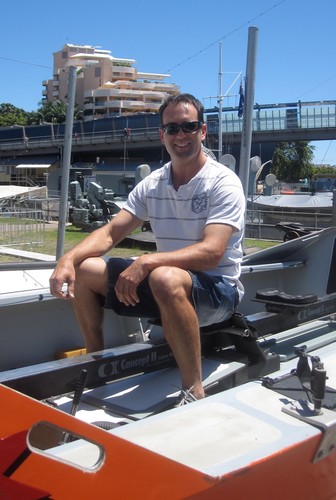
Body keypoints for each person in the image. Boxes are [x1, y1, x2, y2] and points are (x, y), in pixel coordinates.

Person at [49, 93, 245, 405]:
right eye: (172, 129)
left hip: (218, 292)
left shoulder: (222, 182)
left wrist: (147, 261)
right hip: (165, 284)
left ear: (203, 131)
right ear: (161, 134)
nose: (180, 136)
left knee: (164, 276)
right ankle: (98, 361)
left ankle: (193, 390)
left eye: (188, 127)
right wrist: (69, 258)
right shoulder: (153, 184)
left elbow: (212, 253)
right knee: (86, 270)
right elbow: (113, 231)